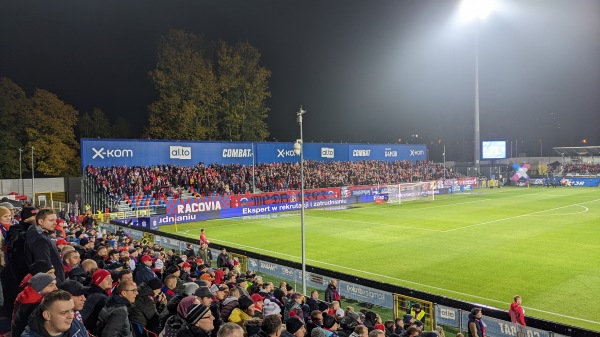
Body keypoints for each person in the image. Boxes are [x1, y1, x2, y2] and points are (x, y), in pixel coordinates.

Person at [25, 209, 65, 283]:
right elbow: (45, 268)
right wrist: (55, 284)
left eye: (55, 220)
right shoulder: (40, 239)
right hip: (52, 284)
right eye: (51, 220)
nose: (55, 223)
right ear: (40, 222)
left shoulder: (40, 235)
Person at [81, 269, 113, 335]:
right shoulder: (100, 298)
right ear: (99, 280)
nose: (111, 280)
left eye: (111, 278)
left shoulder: (90, 291)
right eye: (107, 278)